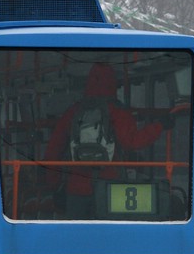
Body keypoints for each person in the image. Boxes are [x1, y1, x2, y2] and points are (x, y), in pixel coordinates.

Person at [45, 63, 172, 218]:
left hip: (77, 186)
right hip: (110, 186)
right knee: (109, 229)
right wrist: (159, 126)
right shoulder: (118, 112)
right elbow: (133, 141)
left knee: (77, 230)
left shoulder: (73, 112)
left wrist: (54, 184)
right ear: (112, 83)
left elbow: (53, 149)